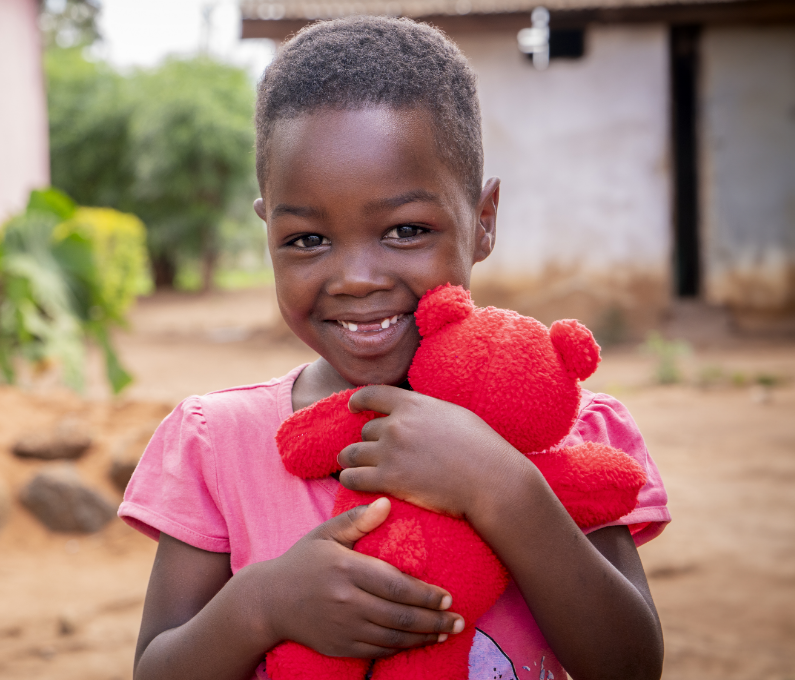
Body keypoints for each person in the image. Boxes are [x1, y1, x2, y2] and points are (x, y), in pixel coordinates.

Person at [118, 16, 669, 680]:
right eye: (307, 240)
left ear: (482, 221)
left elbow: (631, 665)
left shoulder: (568, 432)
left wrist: (500, 484)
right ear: (268, 231)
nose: (355, 278)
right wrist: (261, 605)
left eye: (406, 229)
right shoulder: (219, 444)